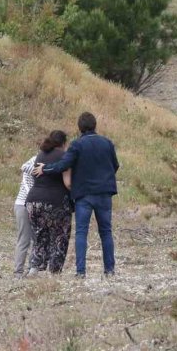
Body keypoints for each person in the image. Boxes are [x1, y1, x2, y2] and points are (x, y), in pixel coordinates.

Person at [34, 112, 119, 278]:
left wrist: (45, 168)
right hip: (104, 193)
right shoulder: (107, 143)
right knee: (106, 232)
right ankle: (109, 270)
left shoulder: (77, 145)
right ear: (95, 125)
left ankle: (81, 272)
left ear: (79, 128)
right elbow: (115, 165)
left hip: (84, 195)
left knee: (82, 232)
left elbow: (63, 165)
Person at [25, 131, 73, 276]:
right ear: (64, 143)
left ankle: (34, 268)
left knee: (40, 236)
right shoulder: (65, 157)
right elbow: (68, 183)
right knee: (59, 236)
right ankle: (54, 272)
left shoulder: (40, 155)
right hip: (55, 202)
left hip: (32, 202)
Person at [12, 153, 37, 278]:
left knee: (37, 238)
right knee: (24, 239)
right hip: (23, 204)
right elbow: (24, 167)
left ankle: (33, 268)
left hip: (36, 206)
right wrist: (42, 170)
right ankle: (18, 272)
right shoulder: (35, 159)